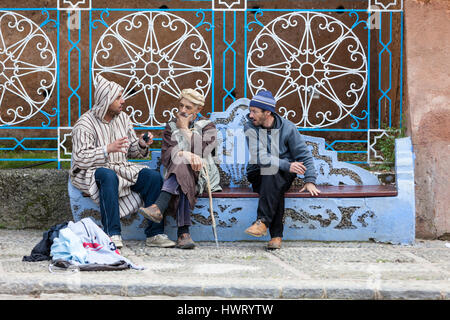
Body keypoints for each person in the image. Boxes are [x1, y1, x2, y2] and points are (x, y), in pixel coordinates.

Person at [70, 75, 176, 249]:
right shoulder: (85, 124)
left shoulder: (123, 118)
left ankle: (154, 234)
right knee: (108, 176)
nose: (123, 101)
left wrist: (141, 144)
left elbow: (131, 150)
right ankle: (113, 233)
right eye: (118, 97)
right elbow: (81, 158)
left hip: (121, 167)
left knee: (153, 178)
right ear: (106, 100)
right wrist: (106, 149)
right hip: (92, 170)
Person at [137, 89, 221, 249]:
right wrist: (184, 154)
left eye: (188, 108)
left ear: (198, 110)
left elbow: (204, 151)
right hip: (179, 174)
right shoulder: (170, 126)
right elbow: (166, 156)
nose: (183, 110)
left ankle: (158, 207)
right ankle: (184, 234)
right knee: (182, 166)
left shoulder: (208, 126)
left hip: (205, 175)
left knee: (181, 167)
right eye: (181, 105)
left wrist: (184, 130)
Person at [243, 90, 321, 250]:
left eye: (254, 111)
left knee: (274, 177)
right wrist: (287, 165)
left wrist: (310, 180)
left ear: (268, 112)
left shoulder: (288, 128)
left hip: (281, 175)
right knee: (271, 172)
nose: (250, 115)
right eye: (250, 111)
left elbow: (304, 155)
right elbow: (260, 156)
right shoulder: (249, 126)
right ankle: (275, 234)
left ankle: (263, 224)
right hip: (257, 173)